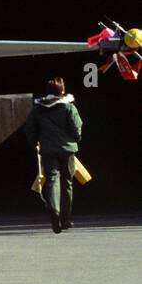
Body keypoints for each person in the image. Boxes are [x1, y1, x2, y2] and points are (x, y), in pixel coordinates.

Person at [23, 77, 83, 233]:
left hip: (48, 150)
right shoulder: (68, 108)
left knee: (52, 180)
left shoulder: (38, 110)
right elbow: (77, 128)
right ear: (62, 91)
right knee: (67, 182)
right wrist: (75, 139)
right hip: (67, 149)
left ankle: (54, 210)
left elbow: (30, 129)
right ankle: (66, 218)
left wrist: (35, 142)